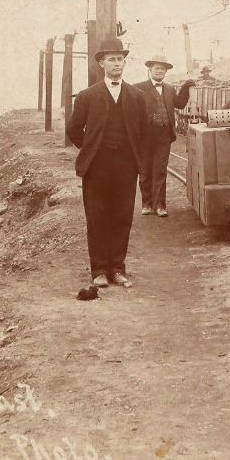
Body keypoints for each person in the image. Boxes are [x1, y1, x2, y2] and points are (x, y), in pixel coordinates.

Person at [65, 37, 150, 288]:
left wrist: (132, 156)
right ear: (102, 63)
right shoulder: (87, 96)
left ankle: (117, 269)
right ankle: (99, 270)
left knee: (122, 216)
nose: (116, 64)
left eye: (120, 59)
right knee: (97, 217)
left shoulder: (137, 96)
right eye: (111, 59)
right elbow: (73, 130)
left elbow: (144, 131)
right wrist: (92, 149)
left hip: (126, 167)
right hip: (96, 168)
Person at [134, 56, 182, 217]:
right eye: (157, 68)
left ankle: (160, 205)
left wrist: (187, 88)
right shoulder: (138, 88)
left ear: (166, 72)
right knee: (145, 169)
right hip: (145, 136)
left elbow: (180, 104)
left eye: (163, 69)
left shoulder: (170, 89)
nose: (160, 71)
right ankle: (146, 204)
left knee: (160, 170)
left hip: (164, 135)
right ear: (150, 70)